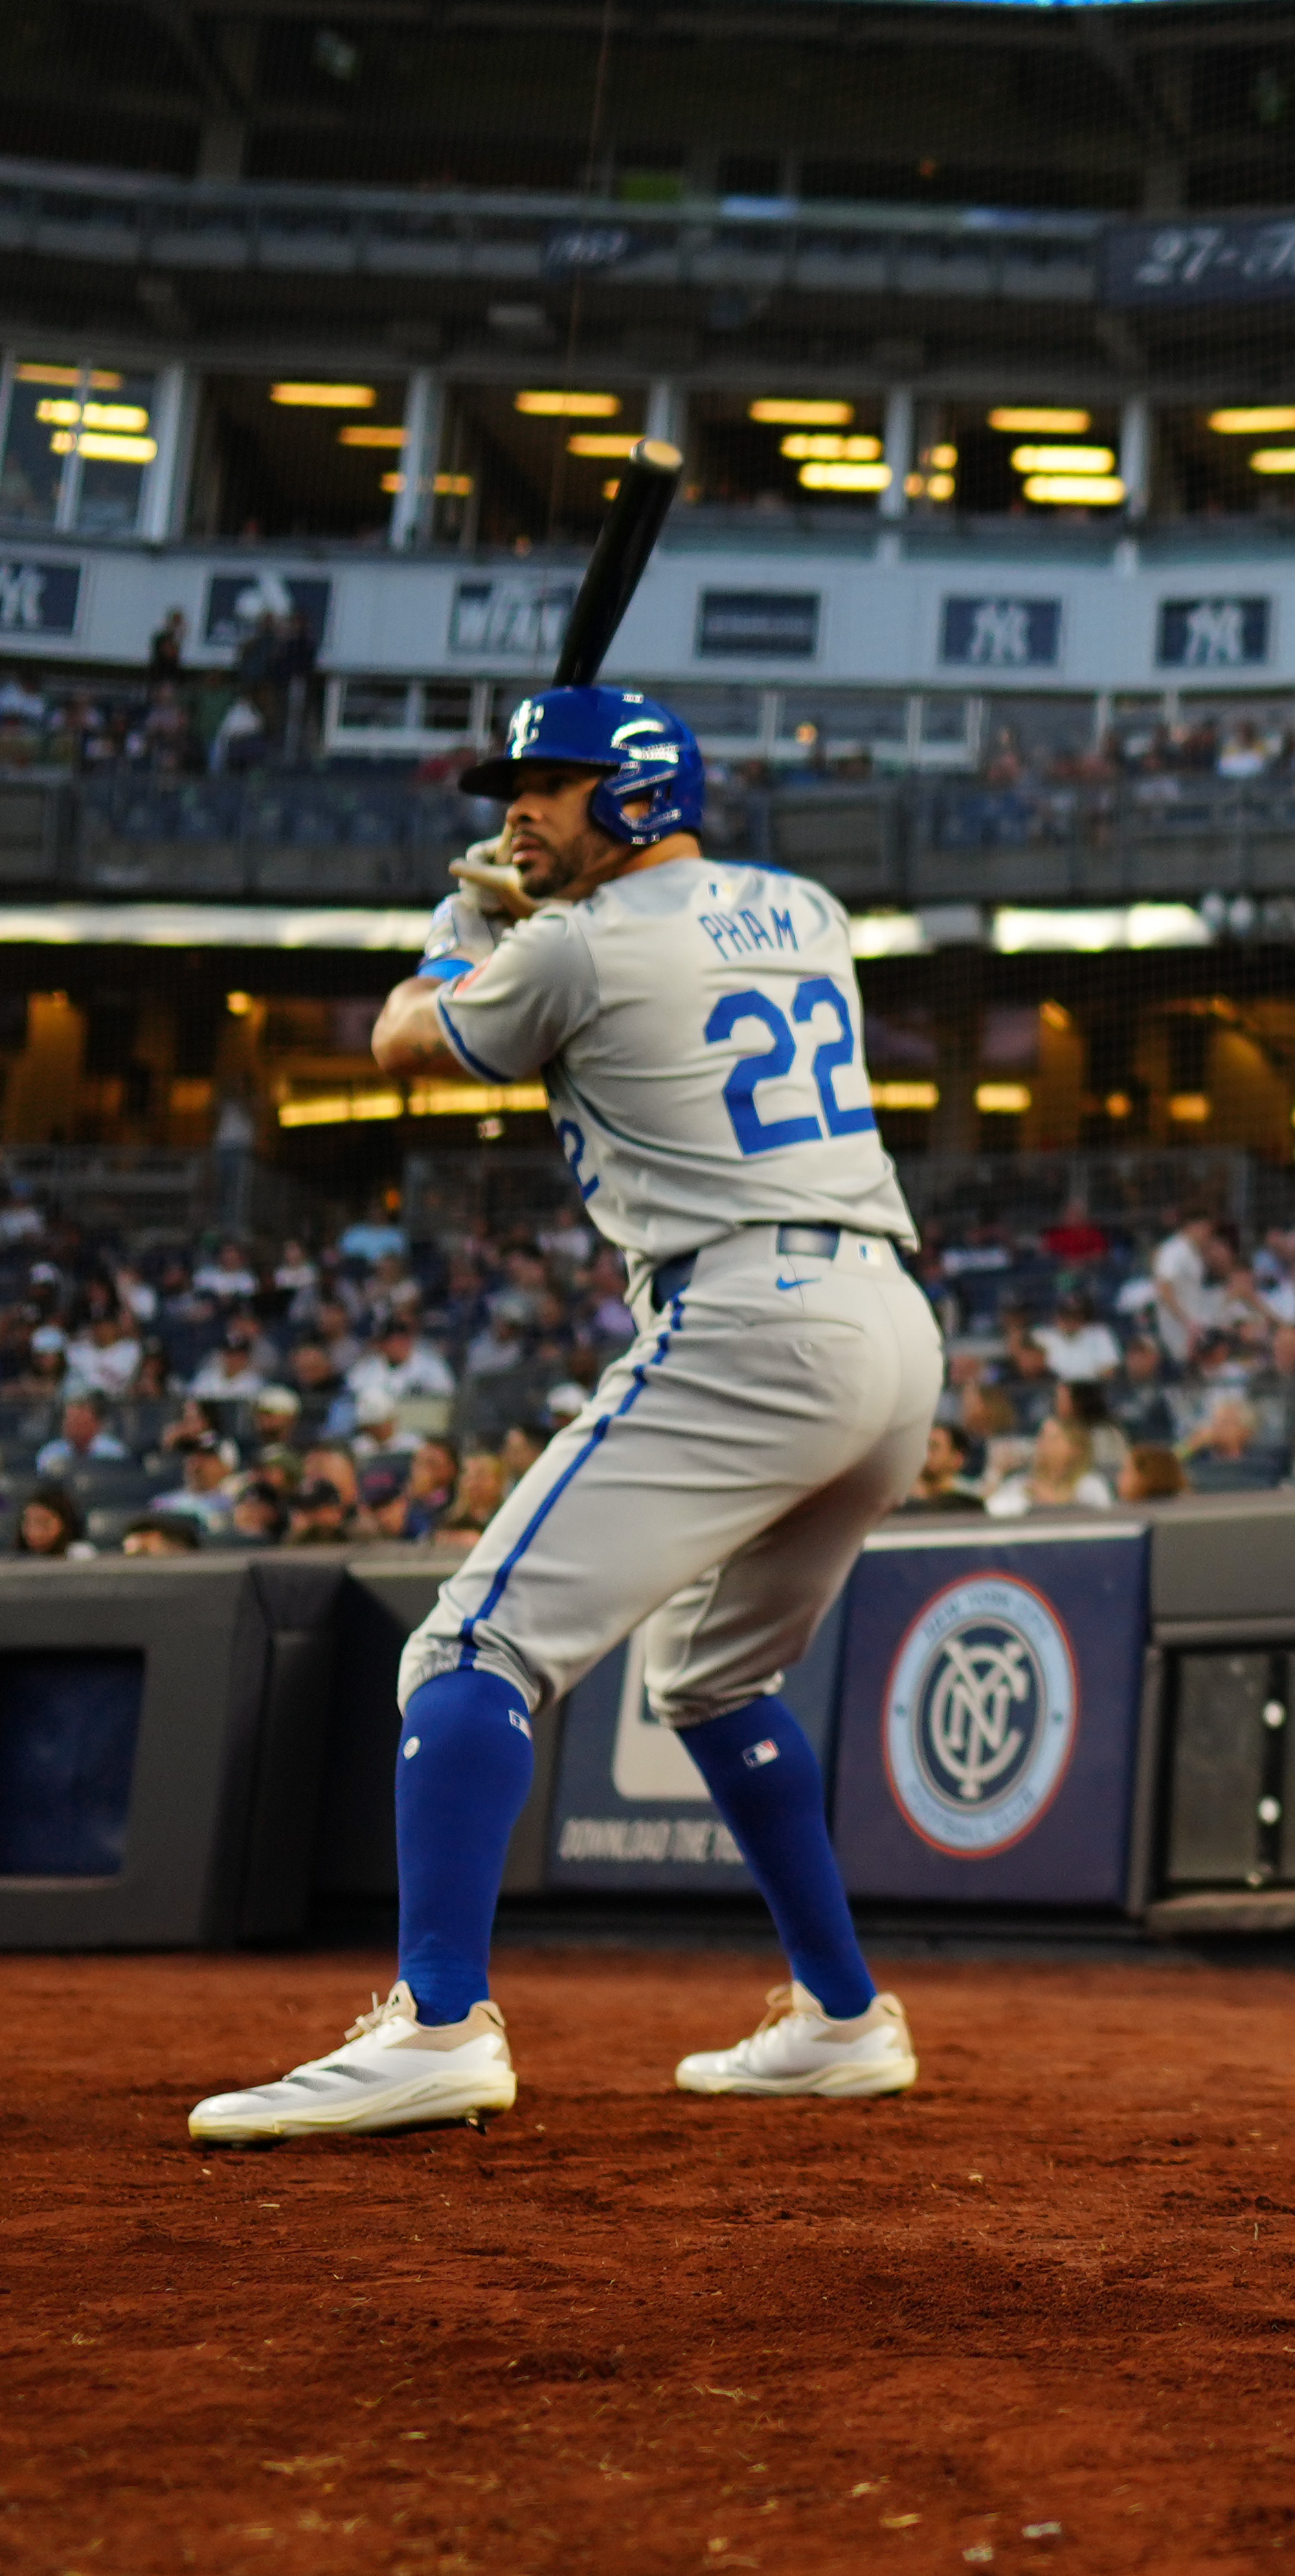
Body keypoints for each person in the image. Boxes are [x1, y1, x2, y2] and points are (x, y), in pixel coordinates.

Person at [192, 684, 934, 2145]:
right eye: (514, 787)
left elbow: (407, 1041)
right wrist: (524, 906)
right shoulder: (808, 908)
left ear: (639, 794)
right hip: (891, 1331)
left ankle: (438, 2022)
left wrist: (459, 928)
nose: (520, 809)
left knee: (468, 1645)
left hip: (746, 1320)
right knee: (710, 1678)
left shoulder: (574, 949)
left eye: (553, 783)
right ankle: (842, 2017)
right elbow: (635, 944)